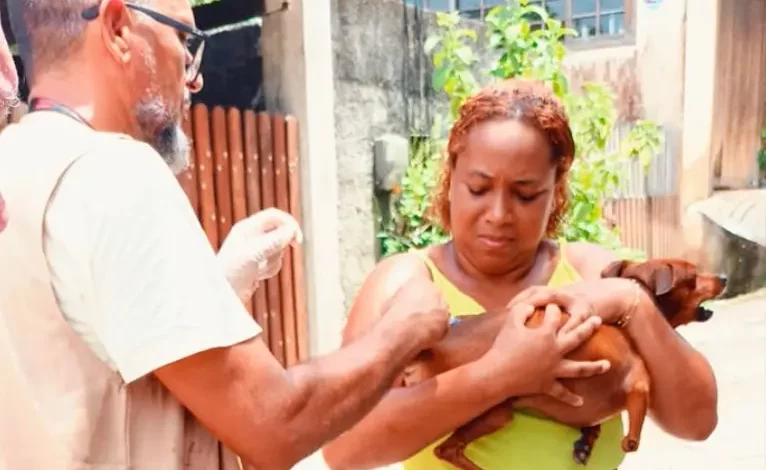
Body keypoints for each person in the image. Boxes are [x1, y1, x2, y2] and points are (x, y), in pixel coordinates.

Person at [0, 0, 462, 468]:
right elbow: (274, 423)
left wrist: (217, 284)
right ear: (119, 28)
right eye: (184, 42)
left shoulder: (13, 164)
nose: (195, 77)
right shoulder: (116, 172)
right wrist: (403, 329)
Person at [322, 79, 719, 470]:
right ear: (451, 176)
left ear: (556, 189)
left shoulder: (588, 271)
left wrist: (631, 302)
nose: (498, 215)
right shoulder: (403, 283)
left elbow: (697, 422)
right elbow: (342, 448)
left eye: (525, 195)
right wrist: (501, 375)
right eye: (478, 188)